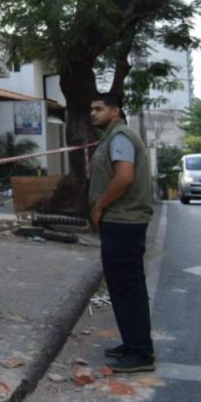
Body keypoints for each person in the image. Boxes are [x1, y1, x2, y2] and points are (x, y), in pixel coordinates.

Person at [88, 92, 155, 373]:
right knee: (124, 287)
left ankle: (140, 353)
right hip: (123, 220)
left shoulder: (120, 137)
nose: (93, 113)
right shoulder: (112, 137)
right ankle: (133, 343)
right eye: (92, 109)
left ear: (115, 111)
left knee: (127, 288)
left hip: (123, 221)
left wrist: (99, 206)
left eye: (99, 108)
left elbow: (124, 177)